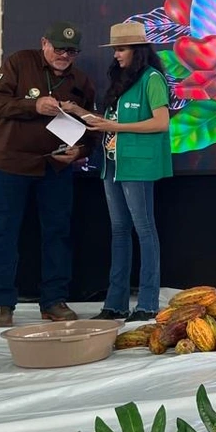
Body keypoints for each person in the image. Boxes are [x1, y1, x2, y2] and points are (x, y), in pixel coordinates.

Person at [0, 22, 96, 328]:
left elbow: (91, 129)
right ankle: (1, 303)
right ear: (44, 43)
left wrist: (80, 151)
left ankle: (54, 300)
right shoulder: (20, 62)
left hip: (54, 167)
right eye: (59, 48)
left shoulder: (81, 81)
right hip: (10, 162)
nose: (64, 55)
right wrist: (34, 105)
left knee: (58, 232)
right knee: (4, 231)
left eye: (71, 51)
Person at [63, 22, 172, 322]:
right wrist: (77, 112)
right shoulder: (122, 79)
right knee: (119, 231)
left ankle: (147, 303)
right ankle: (116, 304)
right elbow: (108, 122)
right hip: (113, 164)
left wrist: (115, 127)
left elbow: (161, 122)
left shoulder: (152, 78)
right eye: (115, 50)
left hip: (138, 164)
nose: (116, 55)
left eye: (121, 49)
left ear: (138, 50)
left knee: (144, 230)